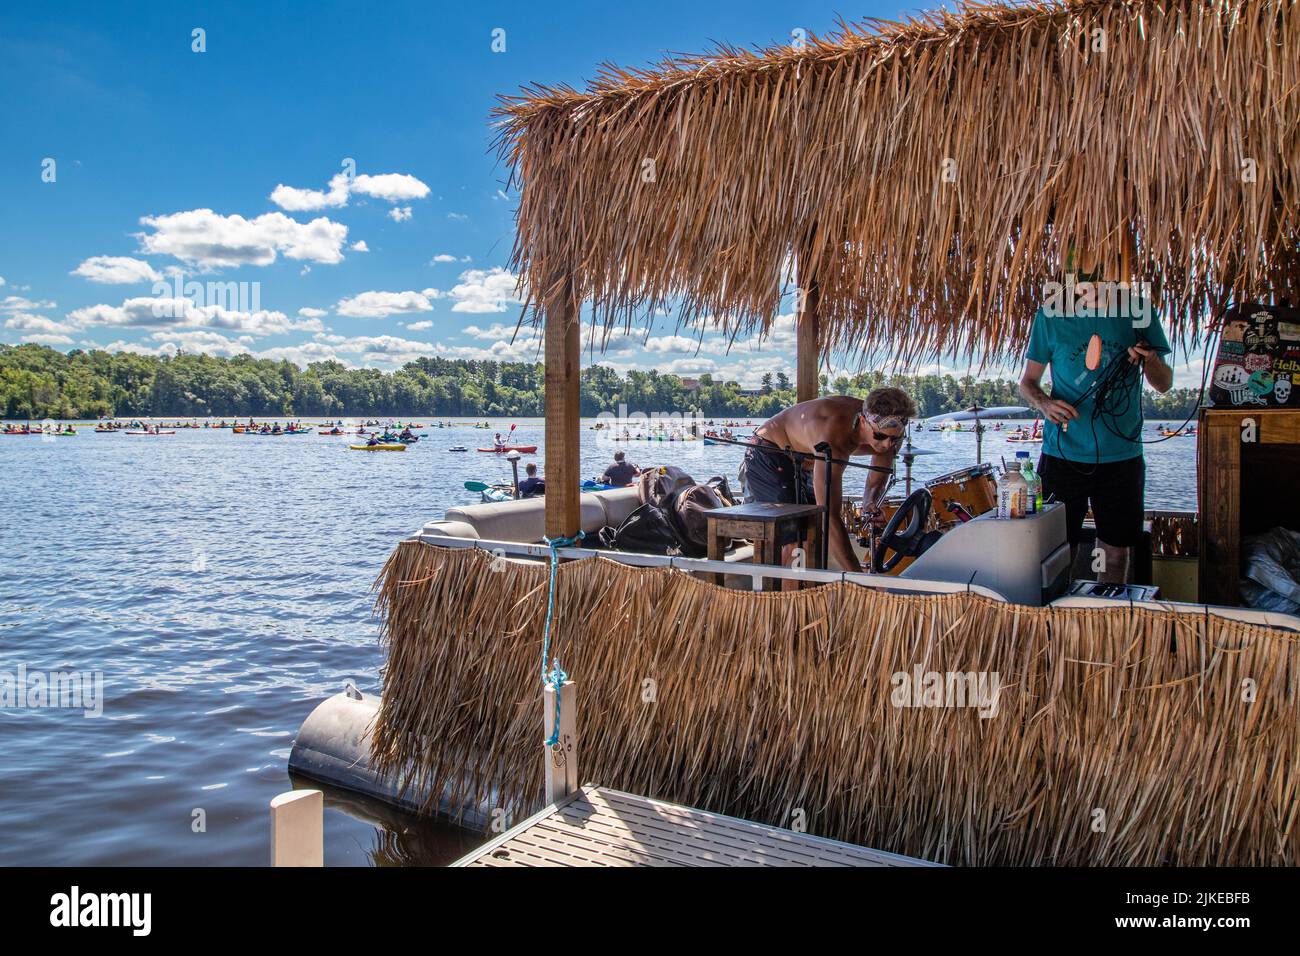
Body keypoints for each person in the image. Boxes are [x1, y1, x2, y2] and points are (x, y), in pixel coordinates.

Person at [1018, 247, 1173, 584]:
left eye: (1100, 278)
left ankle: (1107, 620)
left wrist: (1150, 360)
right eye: (1082, 279)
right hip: (1062, 454)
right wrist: (1045, 404)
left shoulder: (1139, 311)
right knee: (1058, 552)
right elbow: (1028, 383)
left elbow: (1164, 384)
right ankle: (1057, 627)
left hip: (1122, 455)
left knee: (1115, 554)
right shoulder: (1051, 315)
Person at [741, 388, 916, 573]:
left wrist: (869, 503)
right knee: (798, 537)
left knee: (813, 532)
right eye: (880, 436)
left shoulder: (889, 432)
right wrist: (858, 577)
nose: (887, 444)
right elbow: (829, 514)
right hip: (769, 450)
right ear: (863, 421)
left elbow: (876, 479)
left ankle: (807, 592)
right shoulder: (834, 436)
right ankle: (788, 600)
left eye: (895, 438)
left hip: (805, 459)